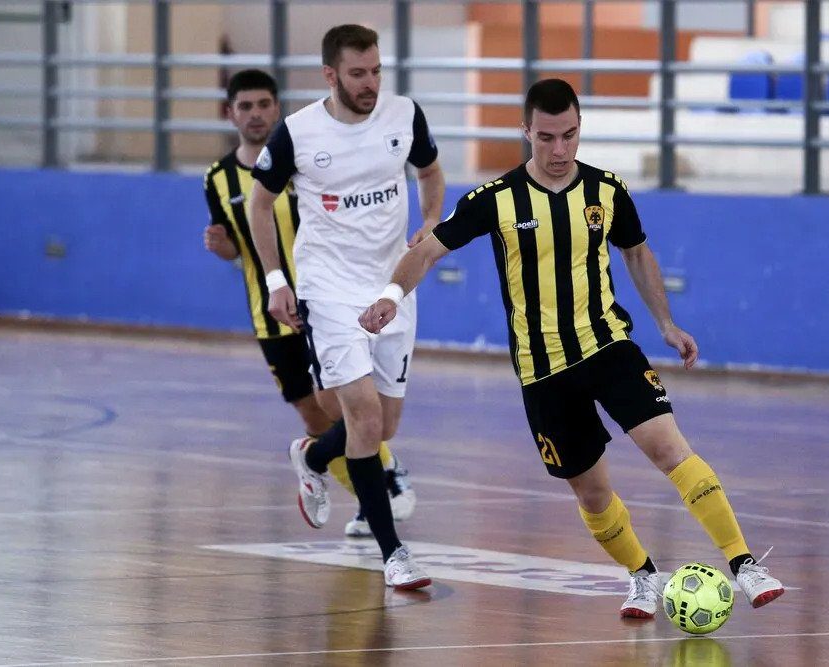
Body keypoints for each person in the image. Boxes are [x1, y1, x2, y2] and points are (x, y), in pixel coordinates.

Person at [360, 78, 784, 615]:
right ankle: (643, 576)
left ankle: (745, 565)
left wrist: (666, 324)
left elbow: (637, 253)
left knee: (671, 451)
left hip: (608, 346)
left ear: (580, 128)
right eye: (546, 138)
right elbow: (426, 252)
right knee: (592, 493)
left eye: (569, 135)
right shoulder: (495, 199)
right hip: (543, 372)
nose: (559, 150)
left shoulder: (607, 190)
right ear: (526, 132)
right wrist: (391, 296)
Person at [248, 26, 445, 590]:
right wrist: (277, 280)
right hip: (329, 290)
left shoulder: (404, 115)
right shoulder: (297, 132)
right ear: (330, 75)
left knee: (384, 424)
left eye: (376, 71)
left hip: (393, 288)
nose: (370, 83)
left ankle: (313, 459)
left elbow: (431, 171)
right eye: (358, 73)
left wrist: (431, 220)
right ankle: (393, 554)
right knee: (362, 415)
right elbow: (260, 206)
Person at [203, 68, 416, 539]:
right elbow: (239, 244)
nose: (256, 114)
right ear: (230, 113)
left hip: (327, 301)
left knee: (355, 408)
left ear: (277, 108)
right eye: (245, 106)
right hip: (271, 315)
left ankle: (384, 477)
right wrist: (223, 248)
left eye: (264, 104)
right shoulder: (217, 178)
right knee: (316, 414)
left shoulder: (304, 161)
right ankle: (366, 496)